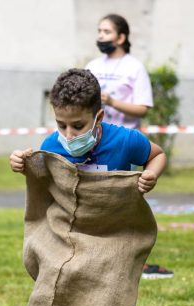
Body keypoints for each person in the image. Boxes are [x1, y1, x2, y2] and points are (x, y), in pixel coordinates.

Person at [85, 14, 171, 280]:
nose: (101, 36)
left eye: (107, 31)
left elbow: (142, 108)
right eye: (99, 31)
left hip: (123, 143)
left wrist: (110, 101)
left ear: (121, 37)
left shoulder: (134, 67)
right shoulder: (93, 65)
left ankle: (132, 259)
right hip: (93, 142)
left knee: (124, 202)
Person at [9, 68, 166, 192]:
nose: (69, 136)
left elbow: (157, 155)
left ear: (99, 118)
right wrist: (24, 166)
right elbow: (42, 179)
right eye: (62, 125)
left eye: (78, 126)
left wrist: (150, 175)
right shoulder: (50, 147)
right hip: (69, 227)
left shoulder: (125, 140)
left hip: (117, 226)